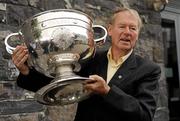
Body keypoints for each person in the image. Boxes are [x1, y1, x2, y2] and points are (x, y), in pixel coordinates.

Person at [12, 7, 161, 121]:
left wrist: (108, 91)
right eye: (122, 27)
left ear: (137, 34)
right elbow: (58, 83)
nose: (127, 32)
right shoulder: (92, 57)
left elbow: (145, 114)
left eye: (133, 28)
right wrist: (26, 72)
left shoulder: (148, 70)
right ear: (110, 30)